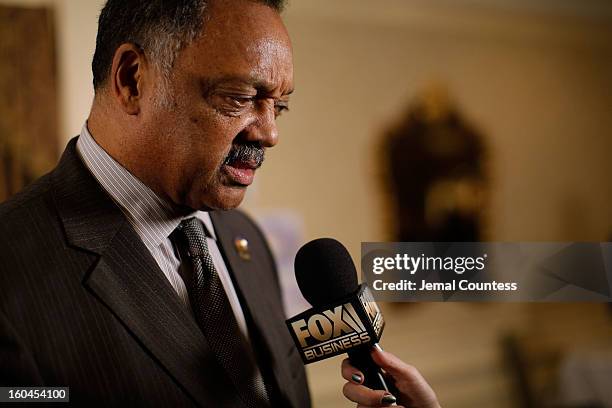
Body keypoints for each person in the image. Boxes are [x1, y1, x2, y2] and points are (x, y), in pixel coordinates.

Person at [0, 0, 440, 406]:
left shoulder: (244, 237)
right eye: (241, 98)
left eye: (279, 107)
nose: (269, 134)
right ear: (133, 79)